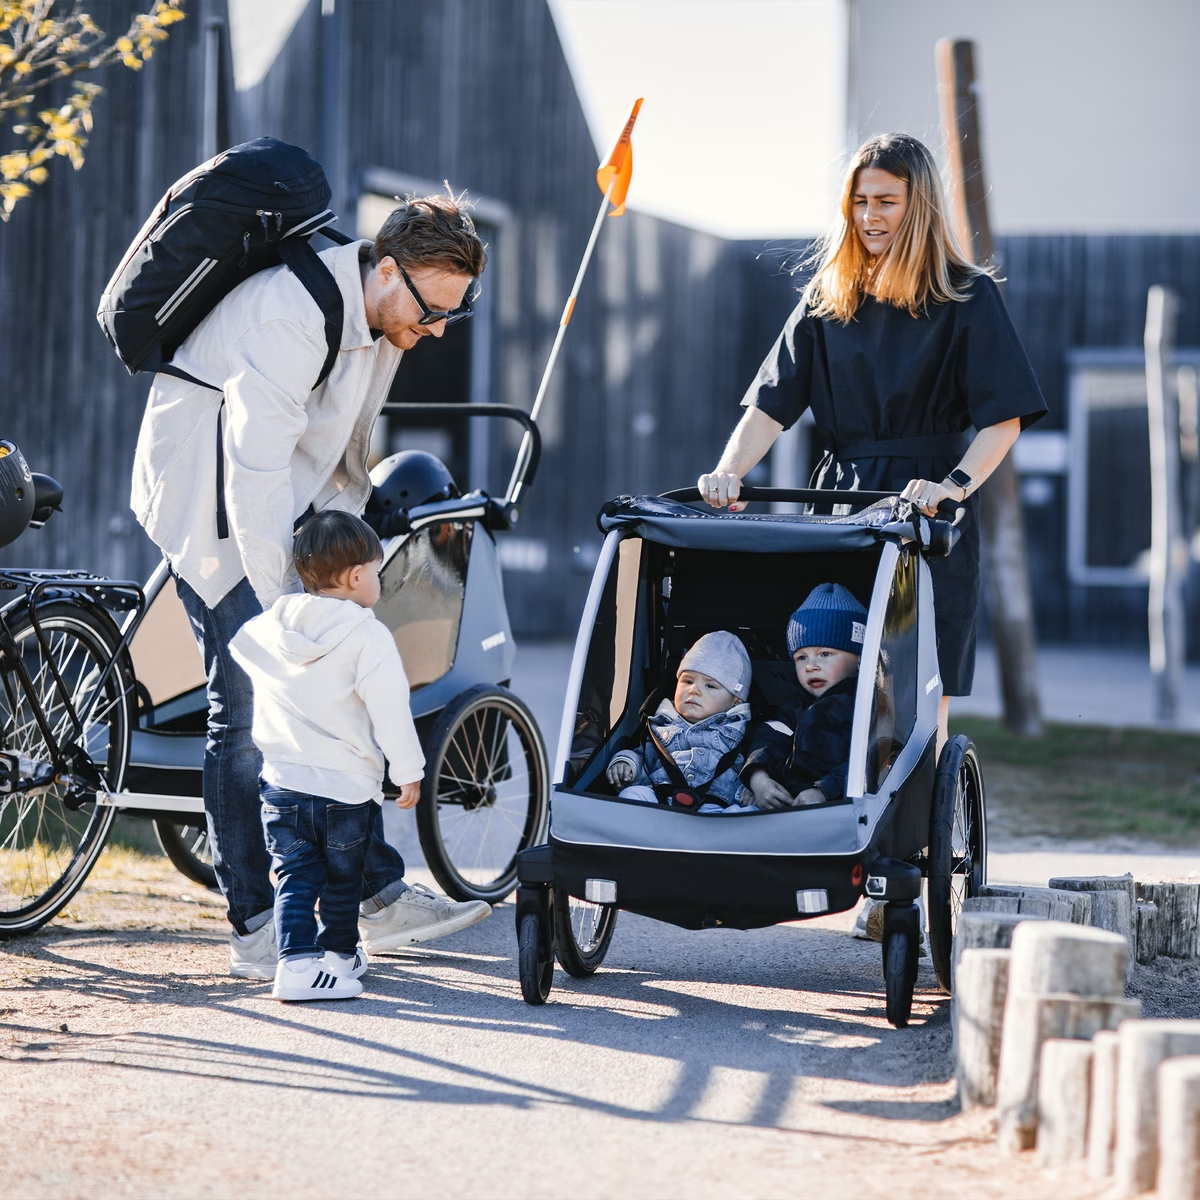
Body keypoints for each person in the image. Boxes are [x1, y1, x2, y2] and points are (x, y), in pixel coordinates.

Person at [130, 194, 491, 978]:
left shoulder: (387, 320)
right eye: (432, 311)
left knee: (345, 688)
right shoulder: (288, 315)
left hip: (283, 505)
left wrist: (346, 559)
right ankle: (256, 928)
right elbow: (251, 473)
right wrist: (281, 615)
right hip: (210, 502)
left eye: (451, 318)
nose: (435, 331)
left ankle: (375, 900)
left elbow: (350, 449)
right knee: (248, 708)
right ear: (387, 270)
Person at [698, 133, 1047, 752]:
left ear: (921, 207)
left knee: (916, 687)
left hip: (930, 507)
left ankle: (913, 830)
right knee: (828, 673)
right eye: (859, 202)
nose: (869, 217)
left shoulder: (968, 297)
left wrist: (954, 486)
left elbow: (1004, 420)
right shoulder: (827, 297)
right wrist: (727, 471)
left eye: (886, 201)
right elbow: (770, 406)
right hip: (839, 507)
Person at [231, 512, 428, 1001]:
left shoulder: (273, 625)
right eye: (377, 571)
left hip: (282, 781)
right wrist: (409, 772)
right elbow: (391, 712)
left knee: (296, 876)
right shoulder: (368, 635)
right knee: (343, 878)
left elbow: (240, 648)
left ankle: (297, 961)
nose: (378, 581)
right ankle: (337, 957)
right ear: (357, 576)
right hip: (345, 789)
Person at [743, 583, 865, 810]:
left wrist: (823, 790)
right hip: (788, 801)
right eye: (801, 658)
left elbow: (870, 759)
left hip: (838, 807)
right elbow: (769, 740)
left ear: (860, 658)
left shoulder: (866, 706)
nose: (811, 666)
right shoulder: (795, 705)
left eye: (825, 654)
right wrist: (759, 779)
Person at [606, 631, 757, 813]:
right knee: (632, 795)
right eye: (687, 681)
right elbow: (644, 756)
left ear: (736, 700)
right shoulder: (660, 725)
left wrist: (751, 789)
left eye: (710, 685)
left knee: (746, 814)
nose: (693, 690)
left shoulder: (738, 731)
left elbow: (747, 768)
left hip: (715, 808)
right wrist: (627, 763)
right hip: (661, 801)